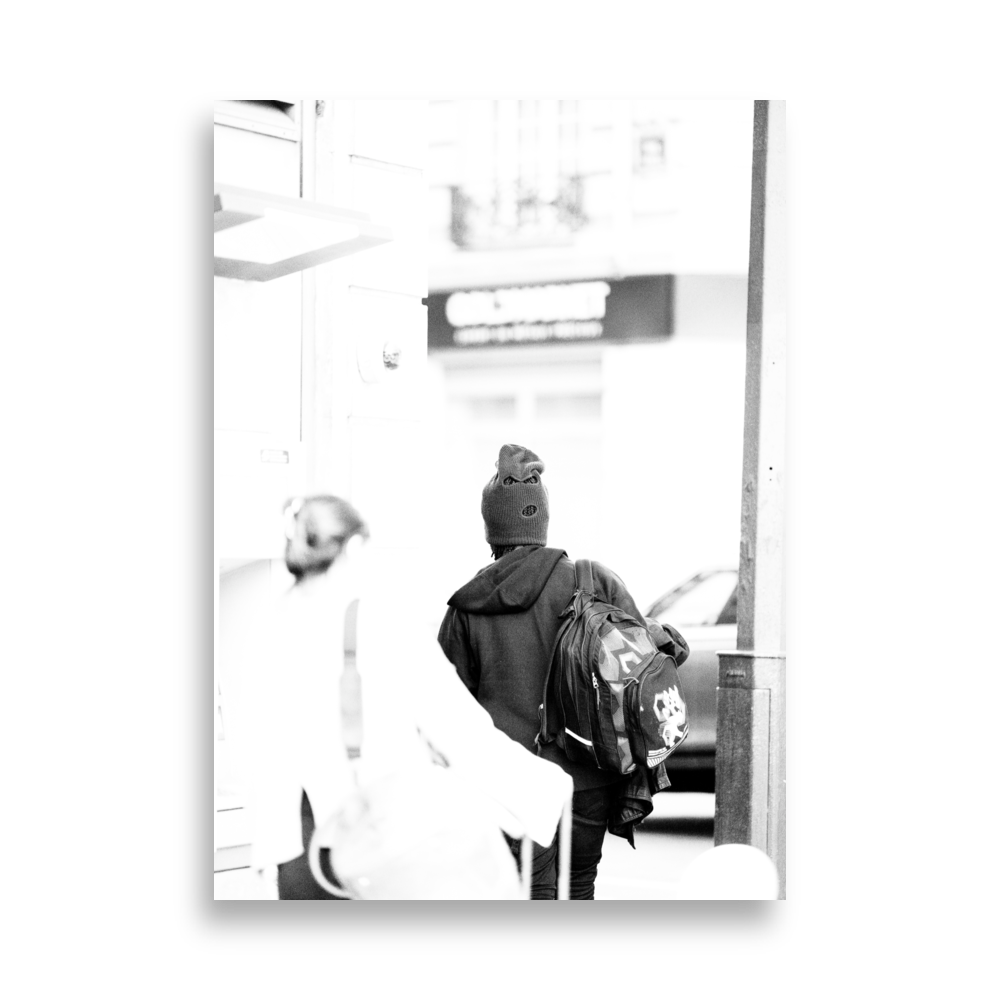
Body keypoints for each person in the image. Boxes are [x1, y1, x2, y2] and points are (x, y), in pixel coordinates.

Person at [228, 493, 573, 900]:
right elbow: (458, 731)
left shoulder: (264, 631)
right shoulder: (379, 621)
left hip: (297, 853)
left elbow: (250, 747)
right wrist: (543, 786)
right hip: (378, 845)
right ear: (355, 547)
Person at [437, 443, 689, 900]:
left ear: (492, 529)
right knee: (577, 885)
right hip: (588, 772)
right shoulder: (594, 582)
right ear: (542, 522)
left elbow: (447, 705)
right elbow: (640, 663)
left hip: (509, 779)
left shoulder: (468, 606)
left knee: (526, 890)